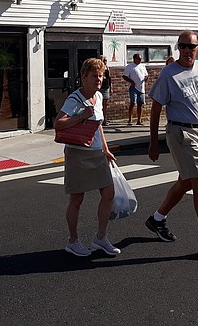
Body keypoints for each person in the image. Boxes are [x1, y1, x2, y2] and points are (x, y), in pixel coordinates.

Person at [146, 30, 198, 263]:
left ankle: (157, 219)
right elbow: (155, 109)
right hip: (180, 132)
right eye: (182, 46)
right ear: (177, 47)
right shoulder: (168, 74)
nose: (186, 51)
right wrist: (154, 141)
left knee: (186, 181)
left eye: (191, 47)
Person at [55, 57, 119, 257]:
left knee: (108, 193)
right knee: (77, 199)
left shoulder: (98, 97)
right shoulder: (74, 99)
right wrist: (81, 116)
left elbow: (98, 126)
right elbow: (58, 123)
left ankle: (100, 238)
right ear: (84, 77)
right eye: (94, 76)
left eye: (101, 75)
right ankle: (73, 241)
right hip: (78, 153)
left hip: (97, 153)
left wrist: (106, 149)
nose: (99, 79)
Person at [122, 53, 148, 125]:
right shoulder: (130, 67)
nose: (140, 60)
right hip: (133, 87)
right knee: (133, 103)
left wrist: (146, 78)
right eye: (138, 58)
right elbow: (124, 76)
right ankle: (130, 119)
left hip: (141, 87)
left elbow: (146, 75)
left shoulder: (142, 66)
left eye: (140, 59)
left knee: (140, 104)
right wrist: (131, 82)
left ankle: (139, 120)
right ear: (134, 59)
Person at [99, 56, 112, 126]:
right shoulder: (99, 68)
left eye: (106, 60)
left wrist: (111, 87)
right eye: (104, 60)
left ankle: (105, 119)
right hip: (100, 88)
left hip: (106, 87)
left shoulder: (107, 68)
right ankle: (99, 119)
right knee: (99, 104)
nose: (105, 62)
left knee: (105, 104)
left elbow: (109, 78)